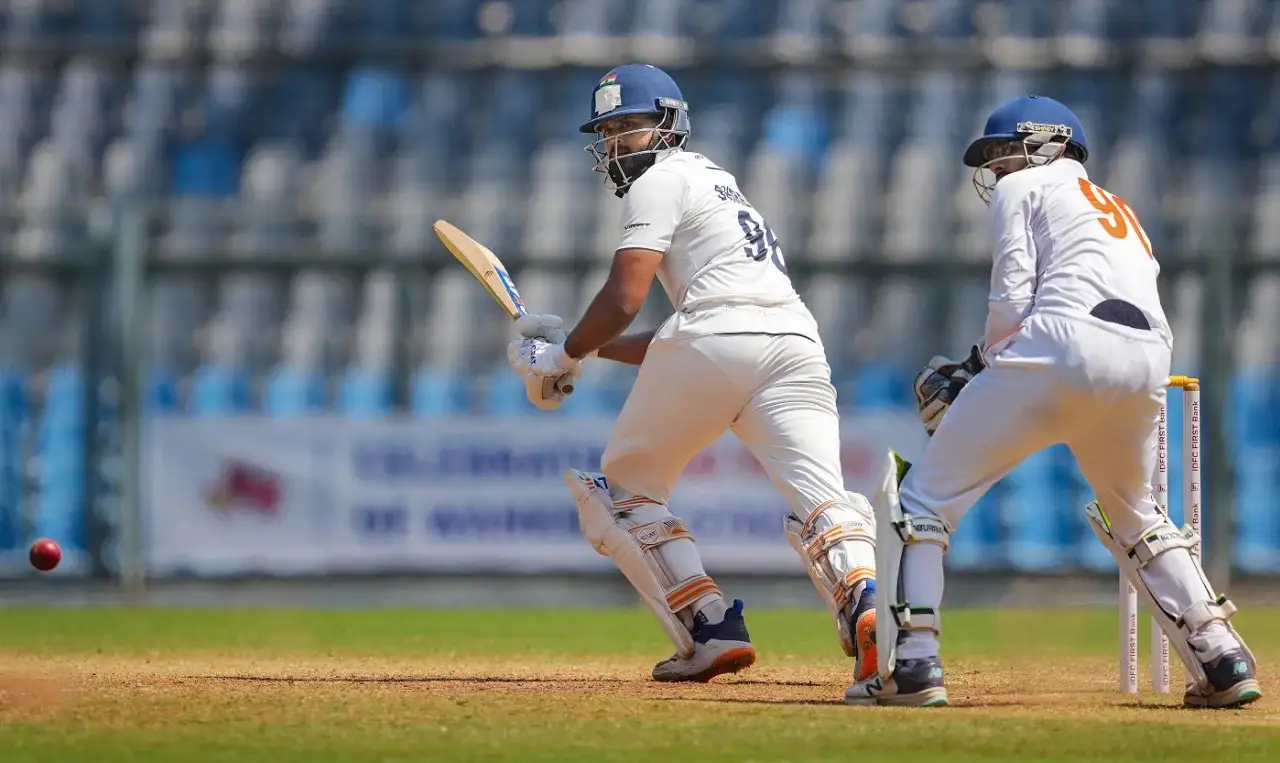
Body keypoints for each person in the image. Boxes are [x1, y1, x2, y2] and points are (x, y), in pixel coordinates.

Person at [844, 95, 1263, 709]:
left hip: (1061, 345)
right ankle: (1222, 654)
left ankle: (913, 665)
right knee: (1136, 513)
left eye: (1001, 151)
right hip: (1148, 357)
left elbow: (1012, 301)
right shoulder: (1120, 205)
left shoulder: (1027, 188)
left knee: (923, 503)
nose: (995, 169)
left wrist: (979, 366)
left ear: (1046, 144)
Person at [505, 63, 879, 683]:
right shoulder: (722, 185)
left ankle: (709, 627)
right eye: (609, 129)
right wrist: (585, 348)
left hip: (716, 340)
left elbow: (630, 301)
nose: (617, 141)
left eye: (630, 125)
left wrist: (562, 356)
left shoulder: (659, 179)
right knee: (825, 500)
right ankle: (869, 607)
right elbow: (691, 331)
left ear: (669, 126)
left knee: (625, 493)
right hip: (795, 341)